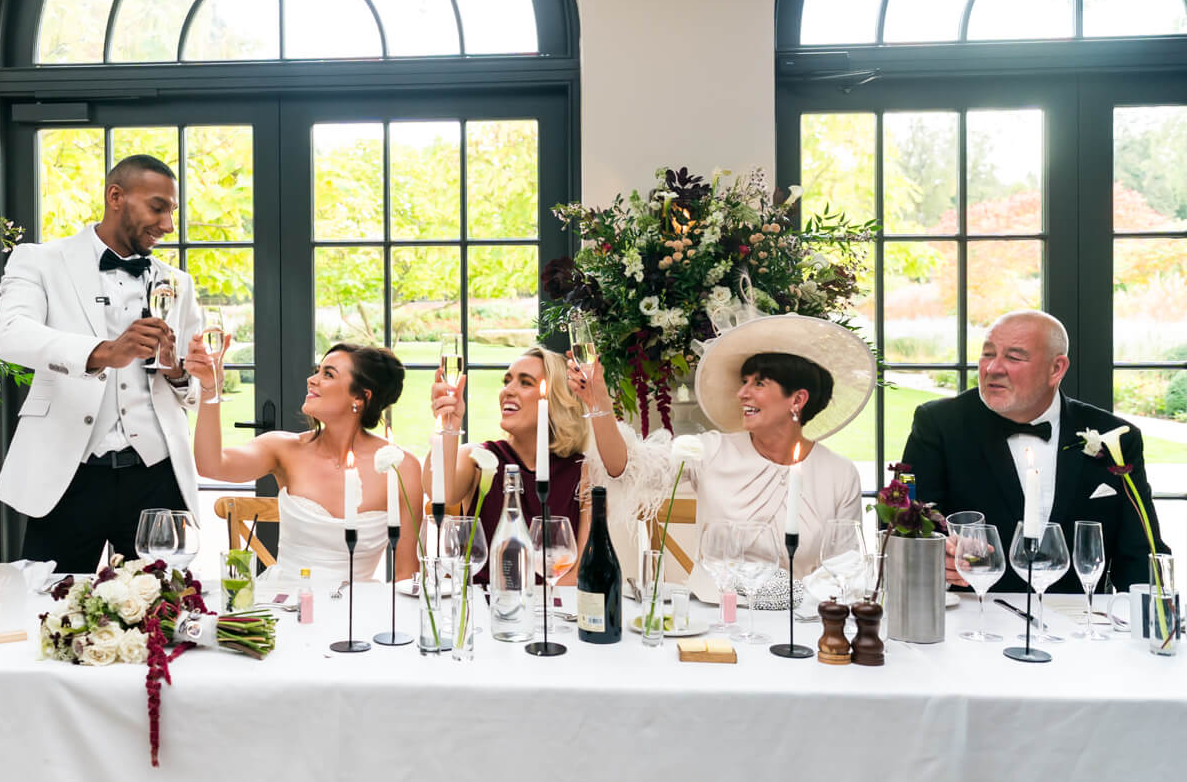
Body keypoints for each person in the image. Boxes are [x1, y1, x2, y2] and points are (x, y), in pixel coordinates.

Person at [0, 154, 200, 570]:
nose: (168, 225)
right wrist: (103, 352)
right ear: (116, 196)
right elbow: (11, 336)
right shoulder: (39, 261)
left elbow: (196, 387)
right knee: (49, 608)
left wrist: (178, 372)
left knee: (160, 610)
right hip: (67, 472)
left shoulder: (178, 282)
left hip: (155, 474)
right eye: (158, 208)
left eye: (172, 212)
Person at [599, 313, 876, 602]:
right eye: (744, 382)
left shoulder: (840, 474)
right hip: (712, 618)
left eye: (758, 384)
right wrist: (598, 401)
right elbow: (627, 468)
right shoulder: (711, 451)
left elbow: (845, 569)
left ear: (797, 400)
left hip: (798, 626)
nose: (741, 393)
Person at [905, 309, 1166, 595]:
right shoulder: (940, 424)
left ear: (1056, 369)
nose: (993, 368)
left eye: (1014, 357)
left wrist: (1152, 626)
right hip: (973, 615)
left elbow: (1141, 552)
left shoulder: (1113, 436)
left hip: (1080, 623)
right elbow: (906, 525)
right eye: (988, 354)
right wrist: (940, 556)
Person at [187, 338, 424, 584]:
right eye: (317, 371)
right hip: (284, 605)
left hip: (359, 612)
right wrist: (209, 387)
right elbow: (211, 465)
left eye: (328, 375)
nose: (312, 380)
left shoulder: (401, 467)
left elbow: (407, 575)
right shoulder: (282, 448)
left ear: (361, 398)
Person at [427, 347, 631, 584]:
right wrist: (447, 425)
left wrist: (533, 612)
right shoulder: (480, 459)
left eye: (525, 383)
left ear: (554, 400)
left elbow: (581, 570)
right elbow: (439, 492)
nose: (507, 391)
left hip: (553, 613)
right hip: (485, 610)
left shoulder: (582, 471)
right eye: (507, 381)